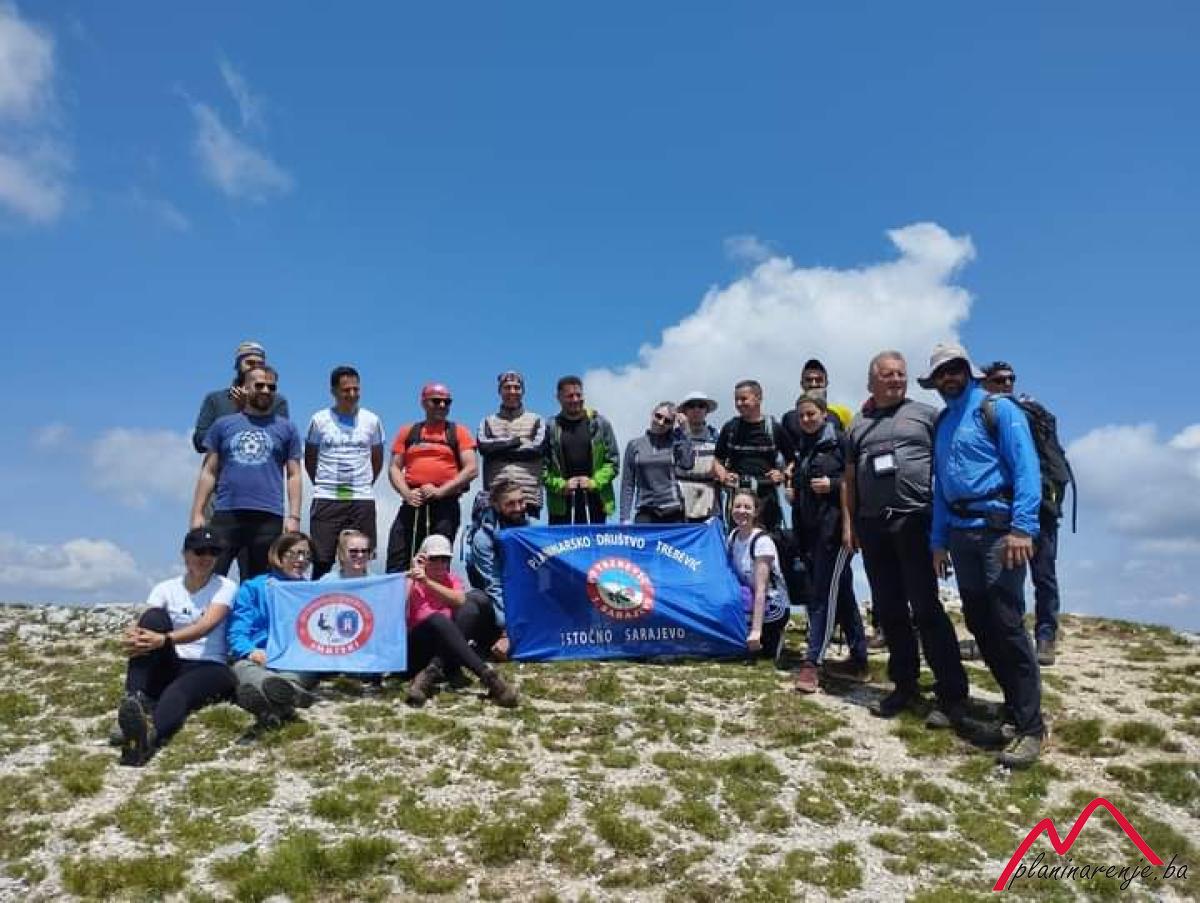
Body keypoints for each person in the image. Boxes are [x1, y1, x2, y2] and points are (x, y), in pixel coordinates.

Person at [925, 345, 1045, 768]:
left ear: (969, 372)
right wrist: (938, 541)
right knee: (979, 621)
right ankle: (1014, 710)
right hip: (961, 534)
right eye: (941, 373)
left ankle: (1031, 727)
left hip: (1000, 531)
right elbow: (941, 486)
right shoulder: (943, 422)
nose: (948, 377)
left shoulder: (998, 410)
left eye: (955, 369)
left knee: (1007, 624)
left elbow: (1027, 467)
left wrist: (1023, 528)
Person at [842, 351, 969, 727]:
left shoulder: (927, 415)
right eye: (888, 374)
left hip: (916, 521)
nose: (896, 379)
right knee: (890, 609)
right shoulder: (857, 425)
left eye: (901, 373)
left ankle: (952, 693)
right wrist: (849, 525)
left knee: (926, 607)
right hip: (873, 525)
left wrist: (945, 527)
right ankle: (905, 685)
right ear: (871, 382)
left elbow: (948, 467)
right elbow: (849, 479)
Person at [116, 527, 238, 766]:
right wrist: (133, 636)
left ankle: (147, 738)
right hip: (174, 661)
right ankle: (135, 701)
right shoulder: (165, 588)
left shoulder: (225, 587)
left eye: (213, 552)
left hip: (209, 665)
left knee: (178, 692)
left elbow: (205, 626)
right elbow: (145, 620)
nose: (206, 558)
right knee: (153, 618)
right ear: (185, 554)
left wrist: (165, 640)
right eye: (200, 551)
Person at [983, 360, 1065, 666]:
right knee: (1018, 576)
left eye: (1010, 379)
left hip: (1033, 504)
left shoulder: (1013, 414)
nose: (1006, 384)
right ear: (986, 383)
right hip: (1023, 503)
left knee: (1040, 573)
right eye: (999, 379)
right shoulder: (1002, 413)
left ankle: (1044, 636)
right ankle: (1027, 636)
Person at [785, 393, 868, 692]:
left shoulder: (841, 443)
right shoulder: (804, 446)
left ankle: (812, 664)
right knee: (841, 592)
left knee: (821, 594)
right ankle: (859, 659)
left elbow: (856, 480)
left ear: (824, 414)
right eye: (801, 416)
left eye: (811, 414)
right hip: (810, 532)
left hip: (835, 532)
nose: (806, 420)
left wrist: (832, 485)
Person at [190, 365, 303, 580]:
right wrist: (197, 512)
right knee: (210, 577)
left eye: (271, 387)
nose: (266, 391)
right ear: (244, 387)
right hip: (227, 513)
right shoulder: (223, 425)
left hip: (268, 516)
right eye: (259, 385)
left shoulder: (287, 429)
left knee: (259, 583)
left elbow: (294, 474)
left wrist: (294, 517)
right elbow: (209, 471)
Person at [404, 535, 518, 708]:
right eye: (434, 558)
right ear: (423, 558)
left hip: (443, 649)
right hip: (418, 646)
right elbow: (398, 608)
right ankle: (488, 676)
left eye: (445, 559)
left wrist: (427, 582)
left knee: (470, 608)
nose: (440, 563)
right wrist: (414, 576)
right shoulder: (409, 580)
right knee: (438, 619)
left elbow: (459, 600)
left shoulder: (453, 580)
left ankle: (430, 672)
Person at [226, 531, 320, 727]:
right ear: (279, 554)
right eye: (295, 553)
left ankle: (269, 707)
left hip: (296, 660)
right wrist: (249, 651)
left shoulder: (312, 592)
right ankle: (291, 695)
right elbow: (237, 630)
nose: (301, 560)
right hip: (259, 658)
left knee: (300, 671)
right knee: (242, 668)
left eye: (307, 556)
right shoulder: (253, 587)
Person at [384, 383, 478, 573]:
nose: (442, 405)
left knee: (438, 560)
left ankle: (435, 592)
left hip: (445, 502)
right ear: (424, 403)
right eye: (436, 401)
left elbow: (471, 468)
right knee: (398, 555)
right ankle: (397, 591)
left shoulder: (458, 431)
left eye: (447, 402)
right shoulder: (408, 431)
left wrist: (441, 491)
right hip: (413, 500)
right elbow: (394, 467)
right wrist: (406, 493)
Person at [304, 366, 385, 579]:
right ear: (333, 391)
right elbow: (310, 458)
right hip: (327, 497)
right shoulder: (319, 420)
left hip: (361, 497)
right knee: (322, 559)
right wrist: (322, 484)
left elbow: (377, 459)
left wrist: (364, 484)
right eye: (346, 390)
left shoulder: (372, 420)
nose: (352, 394)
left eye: (356, 389)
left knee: (362, 558)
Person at [713, 380, 794, 532]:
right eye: (736, 400)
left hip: (767, 497)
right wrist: (724, 476)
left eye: (744, 399)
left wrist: (782, 475)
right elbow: (717, 460)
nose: (739, 403)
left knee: (768, 538)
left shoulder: (774, 428)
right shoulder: (730, 428)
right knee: (737, 538)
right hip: (738, 496)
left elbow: (793, 461)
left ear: (758, 398)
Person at [463, 479, 529, 663]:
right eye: (510, 504)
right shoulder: (482, 539)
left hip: (525, 601)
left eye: (521, 501)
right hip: (497, 608)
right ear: (496, 505)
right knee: (476, 599)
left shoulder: (531, 530)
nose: (518, 508)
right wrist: (508, 629)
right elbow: (494, 585)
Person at [543, 376, 620, 525]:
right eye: (570, 396)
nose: (575, 399)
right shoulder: (550, 427)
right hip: (561, 506)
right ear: (559, 398)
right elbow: (542, 469)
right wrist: (561, 486)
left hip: (596, 502)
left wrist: (594, 482)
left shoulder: (601, 424)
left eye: (579, 395)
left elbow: (613, 463)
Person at [726, 489, 791, 663]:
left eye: (747, 507)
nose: (741, 511)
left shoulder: (762, 542)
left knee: (762, 650)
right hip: (747, 597)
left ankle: (766, 635)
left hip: (772, 602)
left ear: (755, 512)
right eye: (737, 506)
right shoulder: (732, 537)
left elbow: (761, 591)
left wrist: (756, 631)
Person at [192, 340, 289, 454]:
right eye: (250, 363)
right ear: (237, 365)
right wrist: (238, 415)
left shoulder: (277, 401)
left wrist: (247, 410)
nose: (255, 367)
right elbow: (199, 442)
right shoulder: (215, 399)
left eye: (260, 364)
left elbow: (281, 440)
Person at [475, 371, 546, 518]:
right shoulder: (487, 422)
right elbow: (484, 447)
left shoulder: (537, 420)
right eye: (507, 387)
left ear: (523, 391)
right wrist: (516, 441)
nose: (512, 391)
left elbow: (537, 449)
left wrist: (498, 450)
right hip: (495, 497)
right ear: (500, 391)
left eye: (516, 387)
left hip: (528, 496)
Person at [619, 402, 695, 524]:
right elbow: (628, 484)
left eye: (667, 421)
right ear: (652, 414)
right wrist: (624, 518)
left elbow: (688, 464)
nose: (661, 422)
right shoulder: (634, 445)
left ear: (672, 425)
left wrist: (686, 431)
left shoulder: (675, 443)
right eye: (658, 416)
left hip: (673, 511)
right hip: (645, 511)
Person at [675, 390, 723, 522]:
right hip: (681, 495)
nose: (696, 410)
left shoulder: (717, 436)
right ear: (684, 411)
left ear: (706, 411)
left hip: (710, 494)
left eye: (701, 406)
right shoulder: (674, 437)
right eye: (691, 406)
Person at [799, 358, 853, 431]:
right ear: (802, 384)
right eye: (809, 380)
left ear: (826, 383)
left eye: (819, 380)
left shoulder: (842, 413)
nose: (814, 384)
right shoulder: (790, 418)